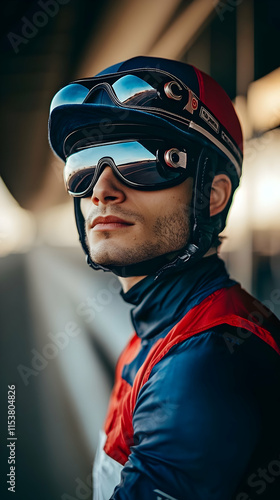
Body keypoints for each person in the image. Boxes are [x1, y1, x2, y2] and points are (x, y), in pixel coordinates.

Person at [48, 56, 280, 500]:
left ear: (211, 196)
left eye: (141, 160)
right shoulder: (159, 333)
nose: (101, 189)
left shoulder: (206, 360)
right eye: (84, 166)